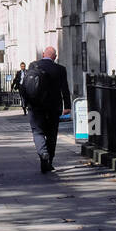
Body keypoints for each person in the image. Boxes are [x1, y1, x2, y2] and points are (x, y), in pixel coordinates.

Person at [21, 45, 72, 173]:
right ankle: (49, 161)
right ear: (55, 57)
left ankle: (43, 153)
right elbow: (64, 89)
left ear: (43, 54)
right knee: (51, 134)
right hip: (53, 107)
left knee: (37, 132)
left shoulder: (33, 65)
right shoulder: (60, 69)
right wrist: (68, 106)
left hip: (35, 105)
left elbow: (26, 85)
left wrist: (25, 102)